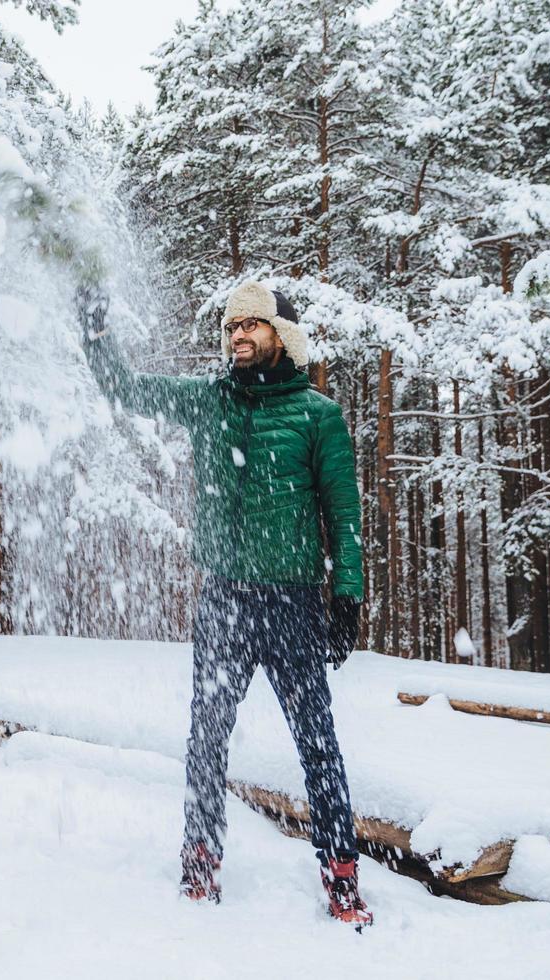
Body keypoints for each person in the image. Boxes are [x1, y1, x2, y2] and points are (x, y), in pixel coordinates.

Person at [76, 280, 372, 928]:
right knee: (206, 739)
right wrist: (97, 335)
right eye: (231, 327)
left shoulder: (317, 416)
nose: (238, 336)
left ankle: (342, 875)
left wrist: (346, 595)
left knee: (317, 743)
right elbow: (126, 390)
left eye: (251, 326)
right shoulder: (208, 401)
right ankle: (200, 860)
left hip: (293, 605)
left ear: (279, 336)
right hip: (225, 602)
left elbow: (343, 515)